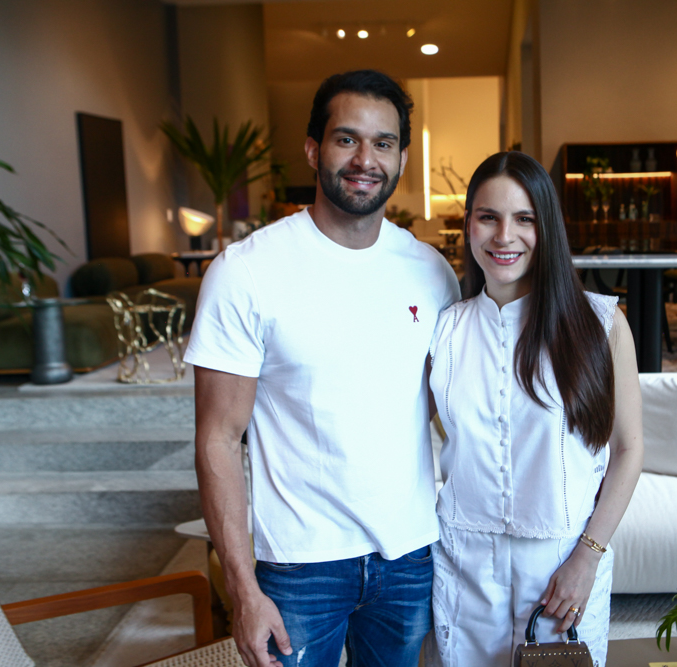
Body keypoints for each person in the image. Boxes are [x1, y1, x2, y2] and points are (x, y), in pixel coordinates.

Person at [185, 70, 460, 667]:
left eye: (383, 143)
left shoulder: (433, 273)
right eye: (346, 139)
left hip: (408, 556)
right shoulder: (246, 272)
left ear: (402, 158)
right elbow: (217, 439)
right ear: (313, 150)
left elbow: (447, 413)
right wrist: (242, 588)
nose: (365, 159)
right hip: (299, 565)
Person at [427, 151, 644, 667]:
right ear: (468, 225)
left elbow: (629, 450)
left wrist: (587, 557)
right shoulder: (445, 329)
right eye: (489, 217)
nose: (505, 236)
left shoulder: (601, 324)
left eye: (524, 219)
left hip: (562, 569)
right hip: (462, 567)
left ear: (547, 227)